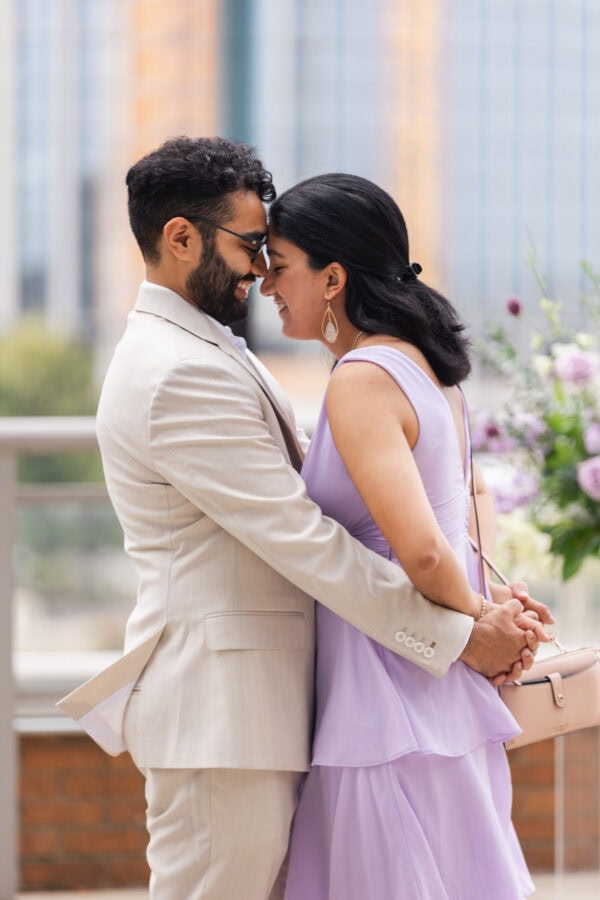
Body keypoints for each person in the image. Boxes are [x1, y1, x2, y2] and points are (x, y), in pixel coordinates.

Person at [58, 139, 548, 900]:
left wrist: (481, 615)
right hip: (226, 723)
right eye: (251, 245)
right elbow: (310, 543)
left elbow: (395, 506)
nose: (260, 269)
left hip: (285, 712)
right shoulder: (178, 369)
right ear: (180, 238)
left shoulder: (217, 351)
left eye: (271, 252)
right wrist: (464, 633)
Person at [261, 172, 552, 899]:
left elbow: (424, 549)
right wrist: (490, 623)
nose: (266, 285)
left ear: (331, 277)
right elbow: (460, 514)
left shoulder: (361, 378)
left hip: (387, 703)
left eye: (279, 265)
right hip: (433, 697)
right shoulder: (429, 371)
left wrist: (486, 624)